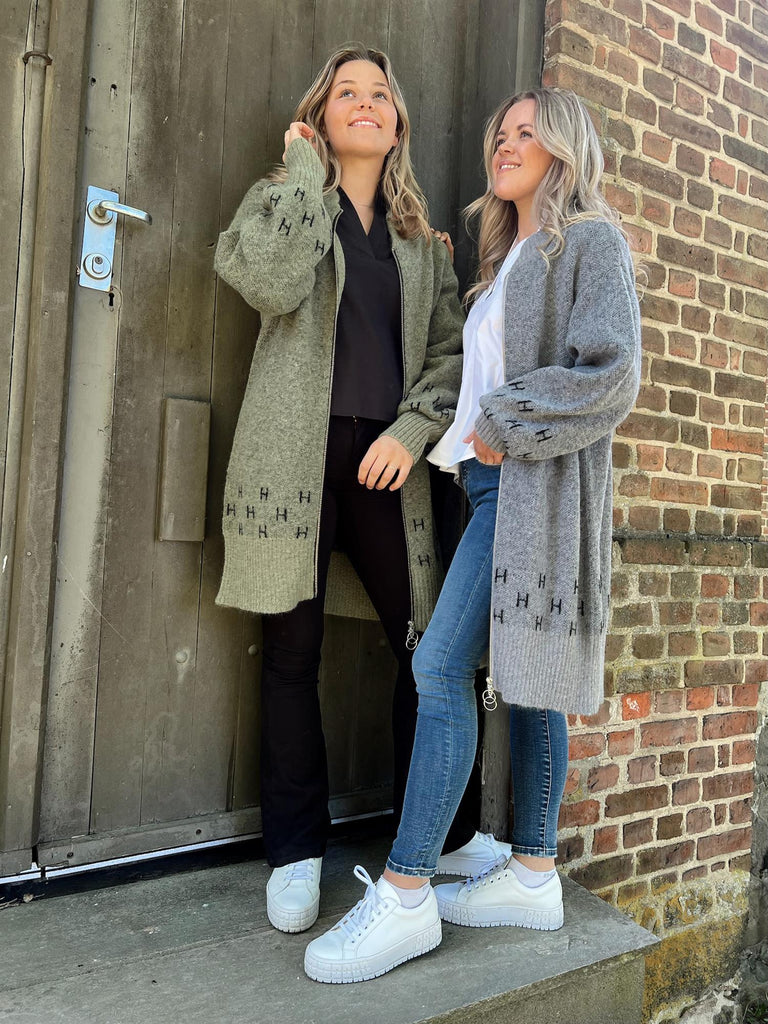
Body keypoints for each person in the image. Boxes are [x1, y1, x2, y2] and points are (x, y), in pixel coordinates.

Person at [303, 85, 643, 984]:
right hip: (492, 486)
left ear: (565, 148)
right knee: (525, 676)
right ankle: (533, 874)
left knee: (439, 667)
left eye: (527, 133)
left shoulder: (590, 241)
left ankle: (408, 890)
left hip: (531, 489)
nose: (506, 144)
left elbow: (612, 374)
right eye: (501, 133)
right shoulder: (506, 258)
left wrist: (502, 419)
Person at [214, 43, 511, 936]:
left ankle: (438, 838)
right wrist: (306, 179)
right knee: (291, 653)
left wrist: (410, 432)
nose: (365, 103)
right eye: (346, 92)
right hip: (292, 464)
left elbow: (451, 359)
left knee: (427, 652)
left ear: (397, 123)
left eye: (380, 93)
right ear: (322, 115)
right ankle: (296, 853)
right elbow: (267, 283)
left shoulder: (422, 244)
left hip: (388, 467)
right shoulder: (281, 201)